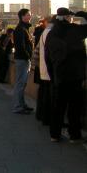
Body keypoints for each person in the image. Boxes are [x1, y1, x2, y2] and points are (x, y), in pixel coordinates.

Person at [45, 8, 87, 142]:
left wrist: (53, 75)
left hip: (60, 75)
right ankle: (74, 135)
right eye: (71, 16)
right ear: (68, 17)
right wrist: (84, 15)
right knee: (74, 107)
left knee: (58, 107)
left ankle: (54, 134)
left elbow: (48, 58)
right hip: (75, 75)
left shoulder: (51, 34)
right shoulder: (75, 30)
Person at [12, 8, 34, 115]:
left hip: (23, 59)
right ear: (22, 16)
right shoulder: (20, 29)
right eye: (28, 15)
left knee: (22, 83)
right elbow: (21, 46)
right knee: (20, 83)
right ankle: (17, 106)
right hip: (22, 59)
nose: (30, 16)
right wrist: (28, 56)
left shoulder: (23, 28)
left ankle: (22, 104)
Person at [34, 16, 53, 125]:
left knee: (42, 92)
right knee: (46, 94)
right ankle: (44, 117)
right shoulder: (47, 32)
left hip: (40, 67)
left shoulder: (41, 31)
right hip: (45, 67)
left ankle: (40, 115)